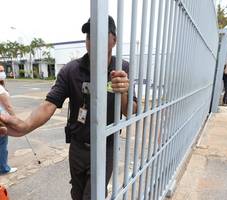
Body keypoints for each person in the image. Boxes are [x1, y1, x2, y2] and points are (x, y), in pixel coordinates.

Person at [0, 16, 137, 199]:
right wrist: (26, 125)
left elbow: (131, 110)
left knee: (93, 195)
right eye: (89, 36)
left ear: (114, 39)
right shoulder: (71, 70)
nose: (93, 40)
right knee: (77, 192)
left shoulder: (123, 68)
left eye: (101, 34)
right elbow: (49, 104)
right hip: (78, 146)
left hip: (106, 147)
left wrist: (124, 92)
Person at [0, 64, 17, 175]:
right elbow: (8, 106)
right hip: (2, 119)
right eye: (0, 71)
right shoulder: (0, 89)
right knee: (2, 144)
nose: (3, 73)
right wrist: (15, 118)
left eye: (3, 70)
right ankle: (4, 168)